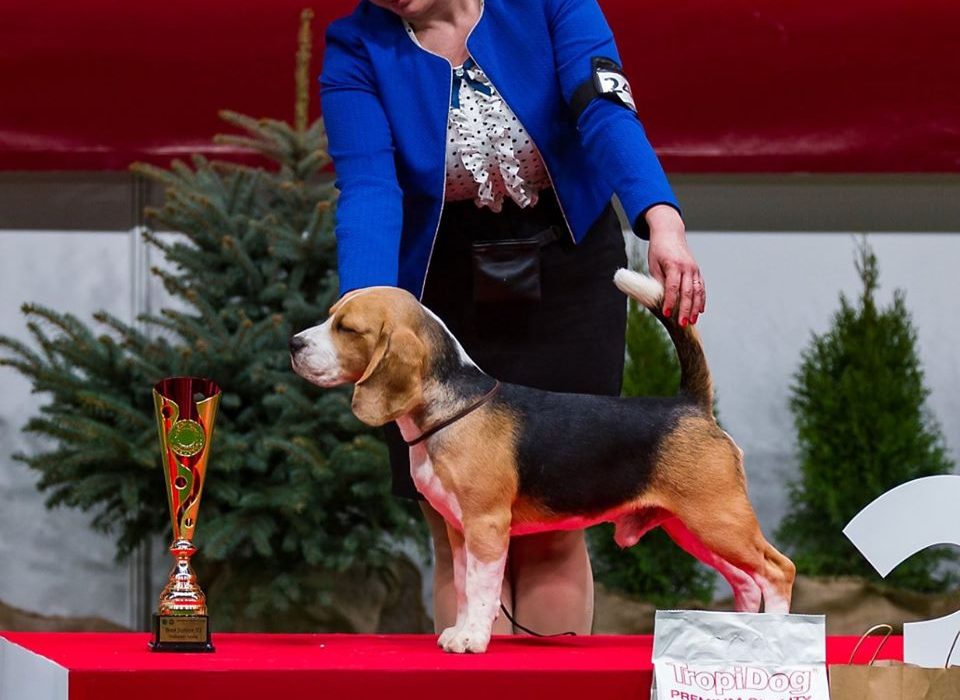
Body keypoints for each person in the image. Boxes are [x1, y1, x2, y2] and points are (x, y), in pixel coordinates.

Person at [320, 0, 706, 636]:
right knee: (458, 533)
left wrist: (660, 218)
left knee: (557, 532)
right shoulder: (355, 45)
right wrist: (368, 317)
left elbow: (603, 109)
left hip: (568, 275)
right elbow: (368, 186)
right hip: (436, 301)